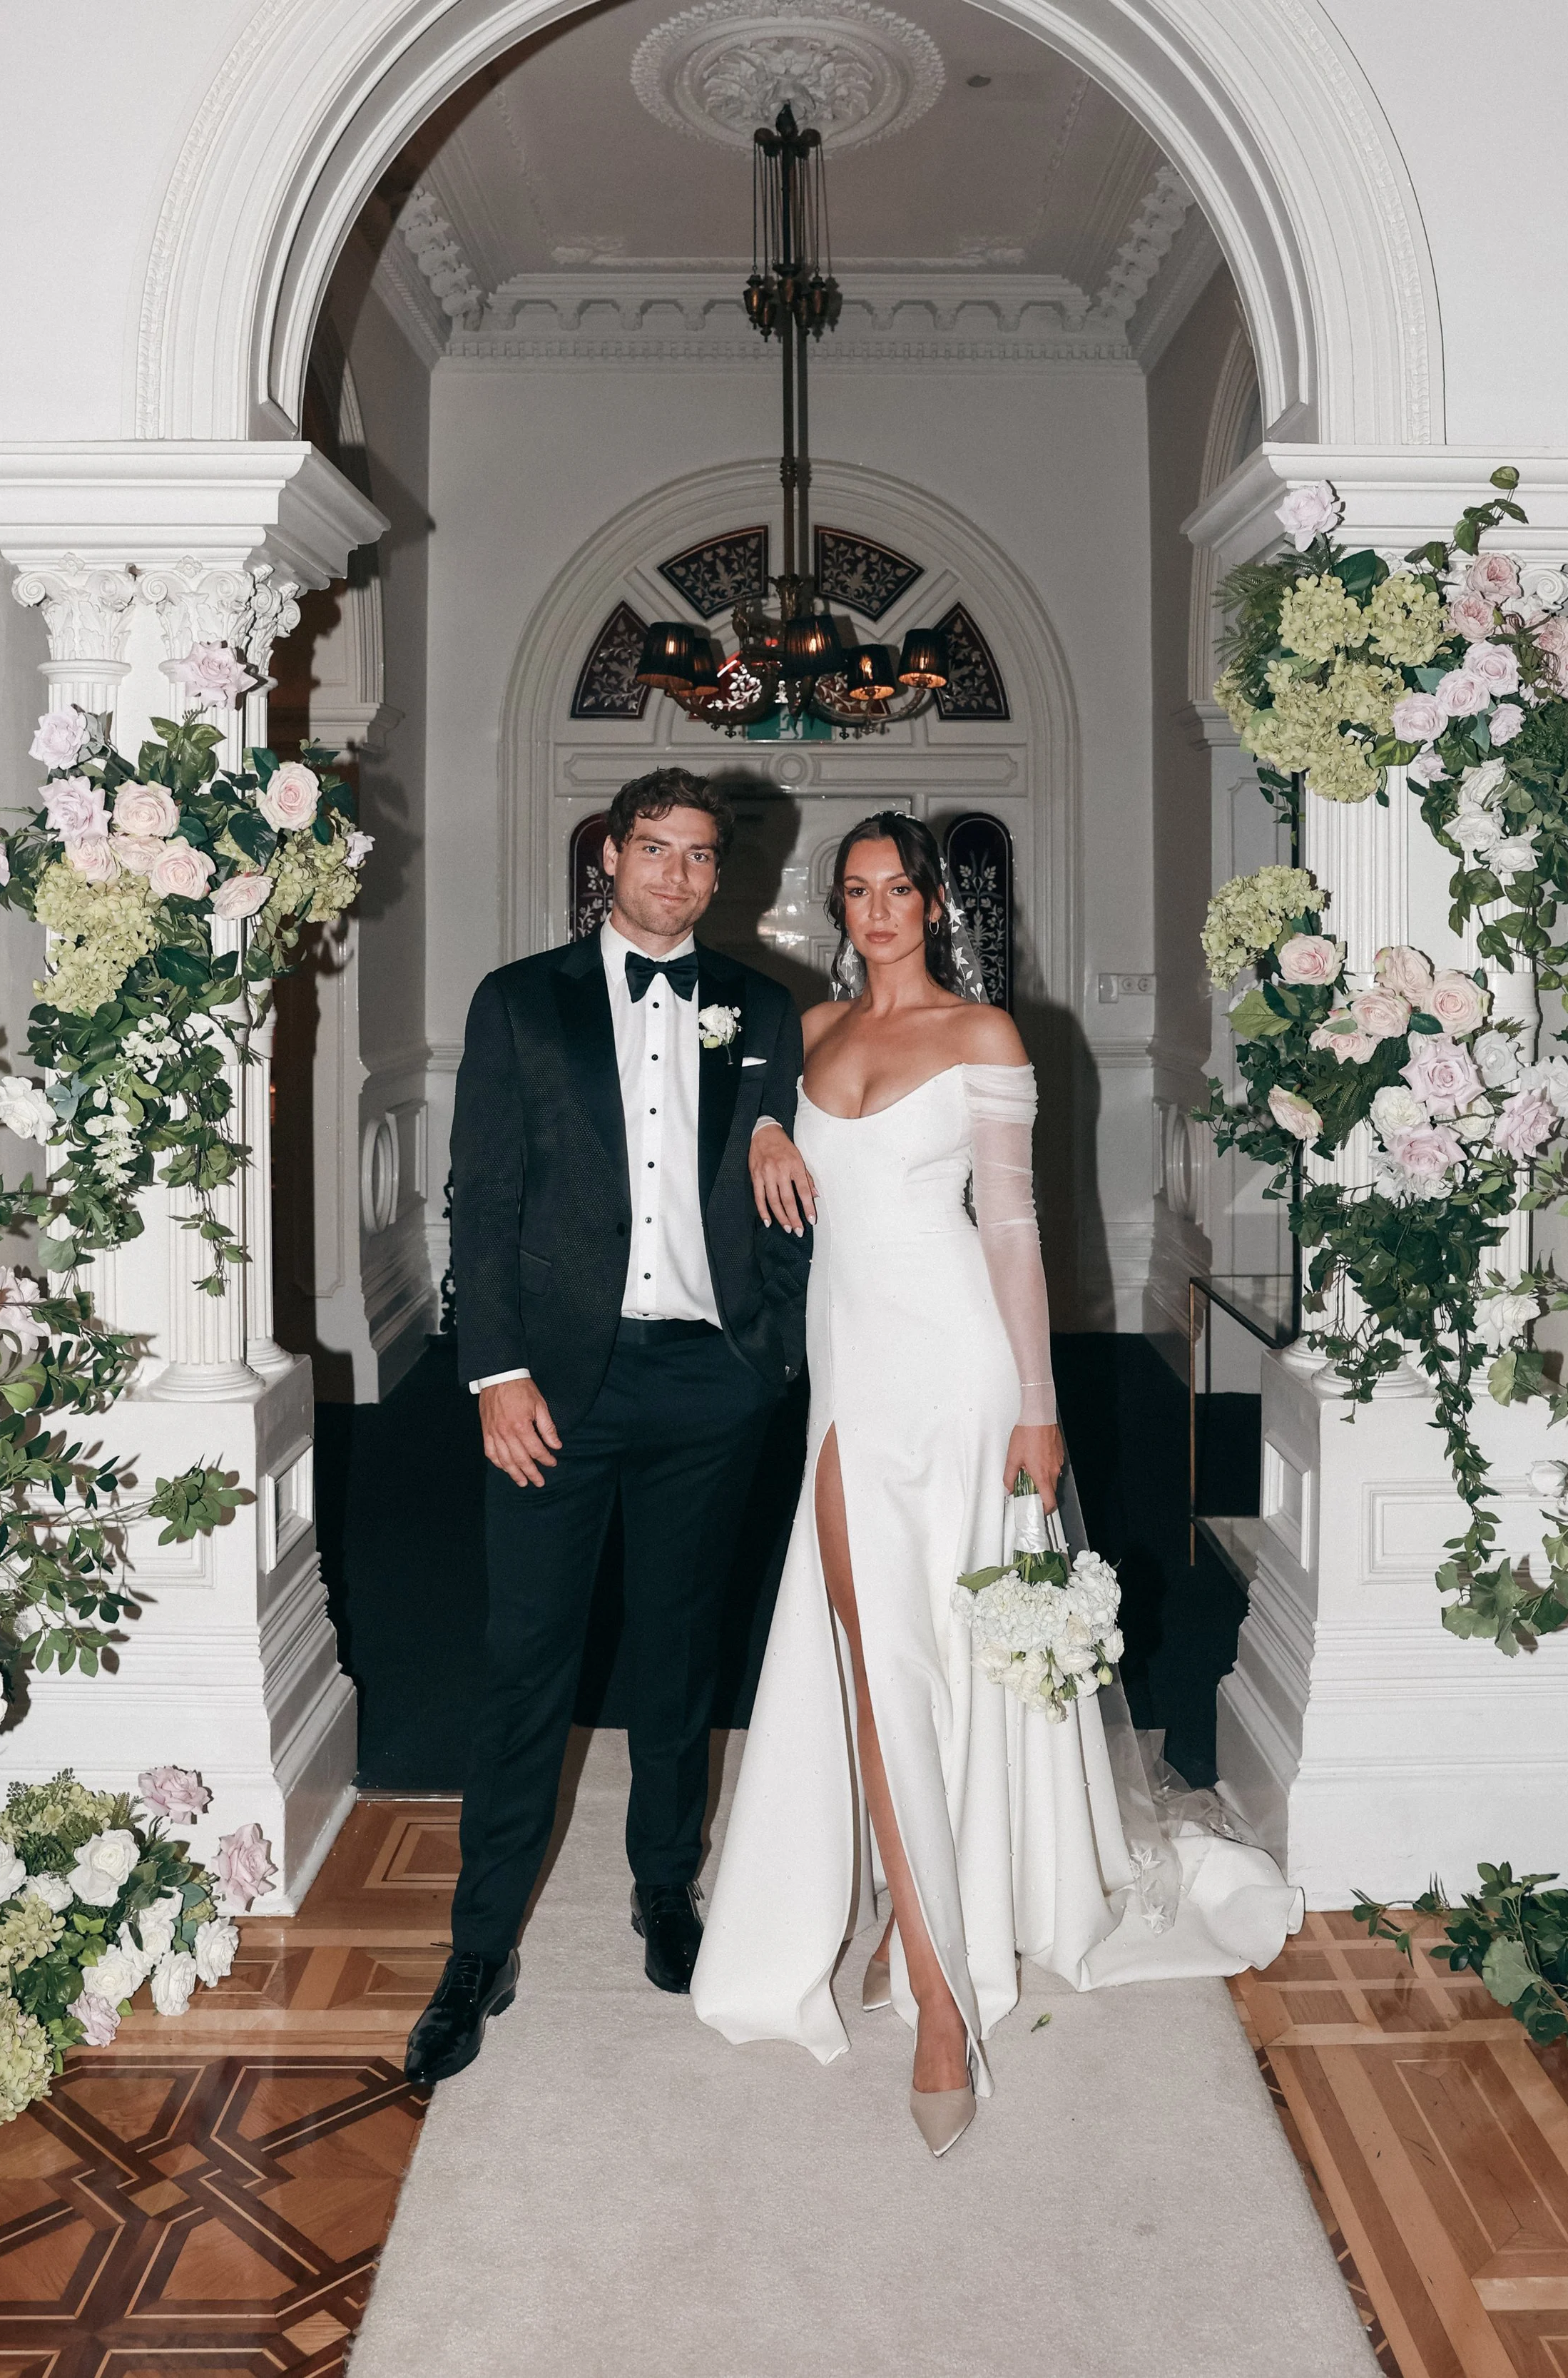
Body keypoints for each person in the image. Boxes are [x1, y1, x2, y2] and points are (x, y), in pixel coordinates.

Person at [691, 813, 1299, 2155]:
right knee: (867, 1649)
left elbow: (1016, 1231)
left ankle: (941, 1999)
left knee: (939, 1655)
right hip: (847, 1382)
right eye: (855, 894)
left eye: (899, 888)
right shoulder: (807, 1037)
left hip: (961, 1376)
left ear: (933, 899)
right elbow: (736, 1108)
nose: (878, 911)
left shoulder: (985, 1037)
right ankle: (915, 1909)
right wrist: (760, 1142)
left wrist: (1039, 1405)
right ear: (835, 909)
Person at [406, 768, 808, 2088]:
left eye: (700, 856)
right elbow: (485, 1199)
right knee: (530, 1660)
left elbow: (801, 1164)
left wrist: (774, 1351)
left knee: (680, 1657)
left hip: (710, 1382)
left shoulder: (760, 1009)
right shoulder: (522, 1000)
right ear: (611, 856)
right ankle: (478, 1948)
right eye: (655, 849)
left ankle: (664, 1892)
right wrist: (492, 1372)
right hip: (555, 1390)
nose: (678, 875)